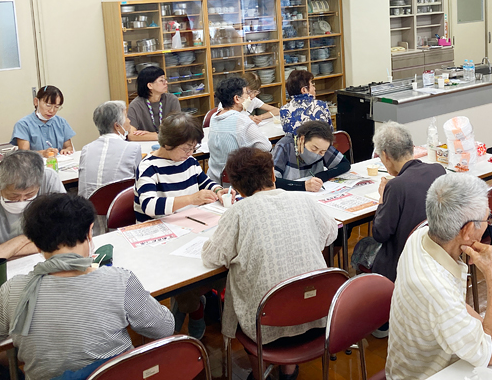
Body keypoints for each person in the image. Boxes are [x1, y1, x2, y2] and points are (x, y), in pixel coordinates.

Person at [0, 194, 174, 380]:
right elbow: (164, 328)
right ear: (90, 232)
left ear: (35, 245)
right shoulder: (119, 280)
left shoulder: (14, 290)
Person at [202, 147, 338, 380]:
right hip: (318, 314)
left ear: (238, 188)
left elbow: (213, 257)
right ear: (273, 175)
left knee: (249, 302)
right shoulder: (304, 200)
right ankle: (288, 371)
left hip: (265, 327)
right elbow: (330, 234)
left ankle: (259, 375)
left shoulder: (238, 213)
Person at [386, 173, 492, 379]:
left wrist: (482, 332)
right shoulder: (436, 291)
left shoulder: (419, 236)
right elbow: (491, 354)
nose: (488, 224)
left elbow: (454, 306)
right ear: (466, 231)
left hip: (407, 365)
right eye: (487, 218)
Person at [134, 112, 230, 340]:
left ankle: (189, 307)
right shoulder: (149, 167)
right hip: (159, 236)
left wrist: (217, 191)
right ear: (166, 144)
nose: (190, 154)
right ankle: (192, 310)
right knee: (185, 275)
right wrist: (191, 199)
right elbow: (149, 205)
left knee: (213, 265)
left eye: (193, 149)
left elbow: (204, 181)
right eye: (186, 149)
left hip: (188, 229)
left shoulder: (188, 162)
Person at [368, 121, 445, 338]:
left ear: (385, 155)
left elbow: (380, 234)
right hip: (434, 249)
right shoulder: (437, 170)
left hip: (401, 259)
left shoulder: (396, 186)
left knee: (361, 249)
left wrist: (382, 199)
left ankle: (380, 317)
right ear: (411, 148)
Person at [0, 150, 66, 275]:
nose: (21, 201)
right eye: (13, 196)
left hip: (42, 268)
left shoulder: (48, 179)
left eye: (29, 194)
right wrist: (26, 239)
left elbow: (65, 242)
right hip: (2, 273)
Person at [78, 101, 142, 219]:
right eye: (126, 117)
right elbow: (139, 182)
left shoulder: (86, 149)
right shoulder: (133, 148)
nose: (129, 121)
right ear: (117, 125)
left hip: (88, 214)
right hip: (121, 212)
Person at [207, 77, 272, 184]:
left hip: (214, 180)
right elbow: (266, 147)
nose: (249, 97)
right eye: (247, 93)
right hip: (238, 181)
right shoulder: (242, 120)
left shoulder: (215, 117)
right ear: (237, 99)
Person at [272, 120, 350, 192]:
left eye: (322, 152)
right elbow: (271, 180)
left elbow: (344, 164)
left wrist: (325, 175)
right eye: (314, 148)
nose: (316, 154)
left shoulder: (323, 145)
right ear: (302, 139)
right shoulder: (284, 146)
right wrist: (303, 186)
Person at [10, 85, 76, 157]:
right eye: (48, 105)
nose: (52, 111)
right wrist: (42, 154)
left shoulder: (61, 122)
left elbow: (69, 147)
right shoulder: (23, 125)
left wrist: (67, 151)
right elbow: (25, 154)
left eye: (56, 107)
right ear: (36, 102)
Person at [127, 66, 181, 142]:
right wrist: (160, 136)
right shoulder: (135, 105)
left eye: (165, 79)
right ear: (150, 85)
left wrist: (150, 134)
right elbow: (131, 135)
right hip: (146, 146)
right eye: (161, 80)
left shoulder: (172, 100)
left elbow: (178, 131)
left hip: (169, 143)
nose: (166, 83)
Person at [279, 70, 332, 135]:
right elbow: (330, 133)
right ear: (304, 90)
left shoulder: (284, 110)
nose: (314, 88)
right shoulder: (321, 106)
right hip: (320, 144)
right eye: (312, 85)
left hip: (297, 145)